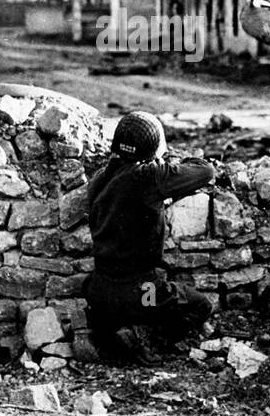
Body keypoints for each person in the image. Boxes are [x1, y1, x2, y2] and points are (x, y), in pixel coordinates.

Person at [85, 111, 215, 364]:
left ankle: (111, 339)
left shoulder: (100, 178)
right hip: (141, 291)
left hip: (99, 289)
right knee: (200, 306)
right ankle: (144, 337)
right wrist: (168, 161)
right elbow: (204, 171)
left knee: (118, 316)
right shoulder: (147, 177)